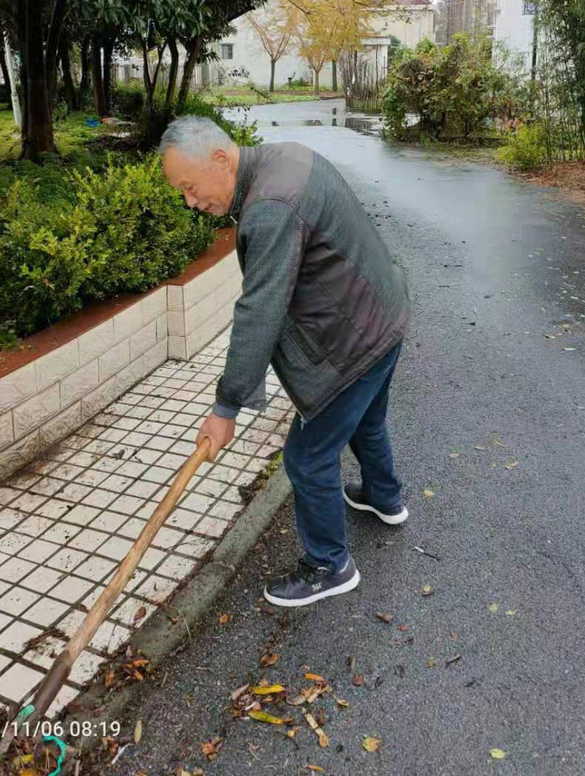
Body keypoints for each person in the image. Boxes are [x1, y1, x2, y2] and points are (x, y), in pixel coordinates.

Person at [160, 116, 410, 607]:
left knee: (307, 456)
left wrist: (226, 406)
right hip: (385, 316)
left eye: (189, 187)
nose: (190, 202)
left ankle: (329, 565)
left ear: (219, 159)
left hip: (353, 342)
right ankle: (384, 497)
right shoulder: (286, 157)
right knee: (366, 420)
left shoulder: (270, 206)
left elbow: (260, 310)